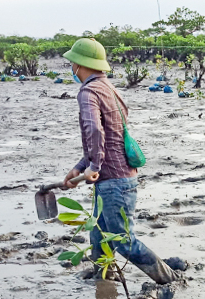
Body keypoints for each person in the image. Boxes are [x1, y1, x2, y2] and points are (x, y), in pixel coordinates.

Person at [61, 38, 181, 285]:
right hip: (119, 175)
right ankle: (104, 279)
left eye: (72, 63)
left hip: (113, 179)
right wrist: (80, 168)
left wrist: (94, 167)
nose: (72, 68)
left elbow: (95, 131)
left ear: (79, 64)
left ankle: (169, 278)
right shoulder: (109, 89)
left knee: (122, 240)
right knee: (98, 234)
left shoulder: (88, 91)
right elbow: (110, 137)